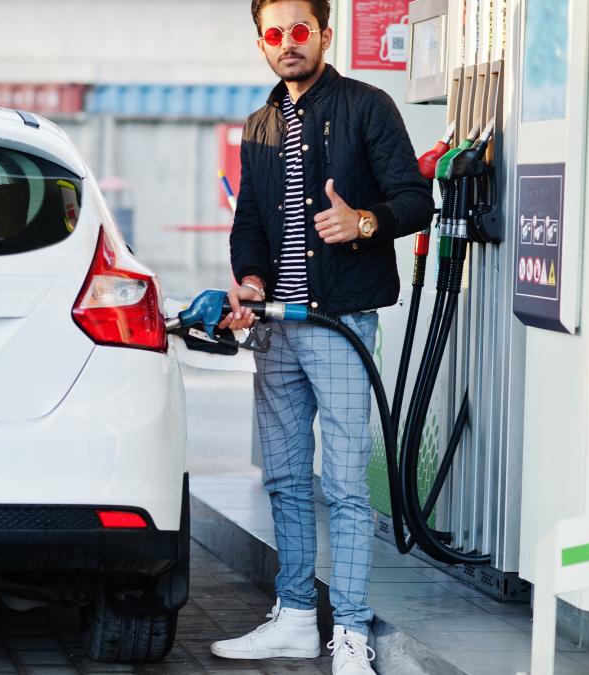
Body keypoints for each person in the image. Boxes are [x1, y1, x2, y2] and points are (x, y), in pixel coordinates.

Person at [208, 2, 434, 674]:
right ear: (260, 44)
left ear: (325, 35)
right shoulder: (259, 126)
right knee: (283, 477)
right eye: (274, 34)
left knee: (343, 484)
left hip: (340, 324)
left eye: (299, 31)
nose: (287, 44)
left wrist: (364, 221)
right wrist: (248, 279)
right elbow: (248, 221)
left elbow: (416, 199)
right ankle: (297, 615)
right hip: (277, 328)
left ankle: (353, 632)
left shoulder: (368, 106)